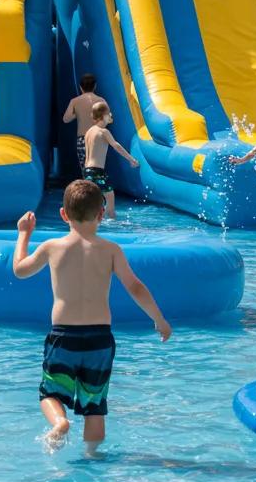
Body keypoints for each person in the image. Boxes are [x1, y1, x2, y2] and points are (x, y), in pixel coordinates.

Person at [12, 179, 171, 453]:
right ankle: (91, 455)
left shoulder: (52, 247)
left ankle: (60, 422)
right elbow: (135, 286)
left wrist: (24, 234)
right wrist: (159, 318)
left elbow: (20, 270)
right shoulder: (111, 250)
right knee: (95, 405)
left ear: (63, 214)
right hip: (99, 339)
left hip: (64, 337)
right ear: (101, 214)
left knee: (50, 392)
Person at [83, 101, 139, 219]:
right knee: (110, 197)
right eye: (109, 113)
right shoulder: (104, 131)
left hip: (87, 171)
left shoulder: (89, 132)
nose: (111, 115)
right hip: (97, 171)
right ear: (103, 116)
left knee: (94, 200)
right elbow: (116, 146)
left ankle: (95, 220)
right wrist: (131, 159)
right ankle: (113, 224)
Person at [63, 74, 107, 171]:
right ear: (95, 86)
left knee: (85, 168)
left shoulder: (74, 101)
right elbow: (107, 119)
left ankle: (88, 185)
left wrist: (77, 113)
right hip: (98, 138)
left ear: (80, 87)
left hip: (82, 139)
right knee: (98, 167)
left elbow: (66, 119)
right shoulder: (101, 100)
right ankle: (97, 185)